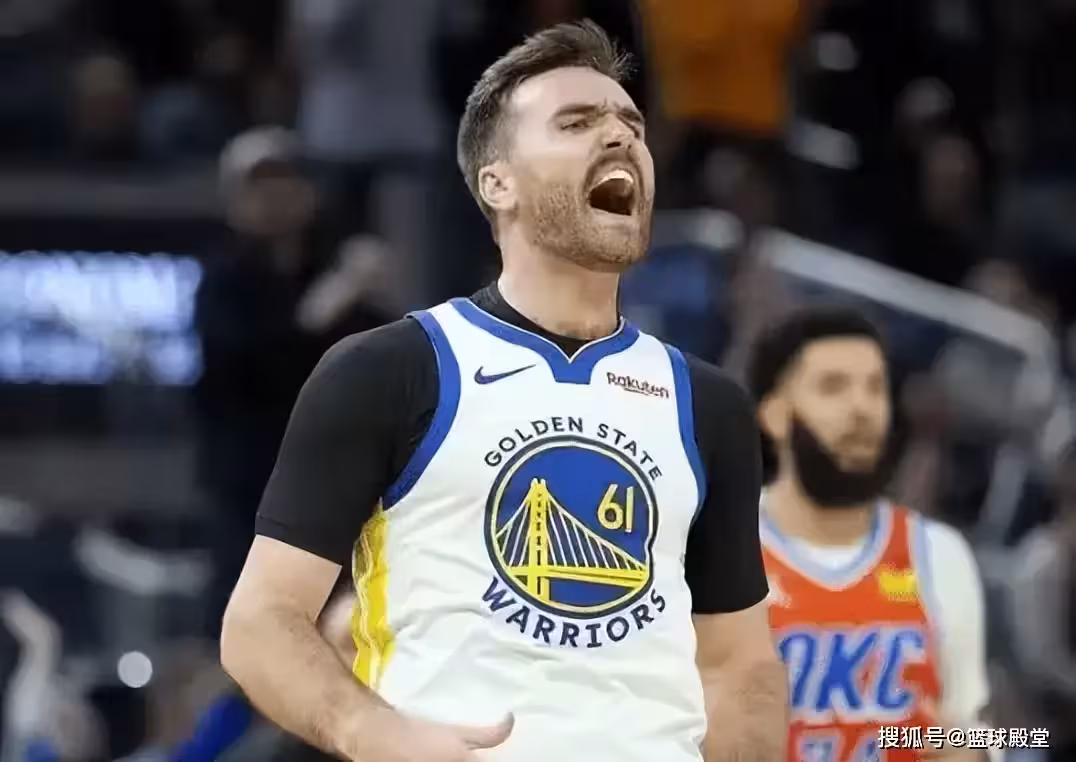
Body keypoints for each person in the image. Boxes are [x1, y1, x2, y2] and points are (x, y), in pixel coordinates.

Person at [220, 20, 787, 762]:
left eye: (633, 125)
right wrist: (373, 731)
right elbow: (260, 622)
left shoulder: (708, 404)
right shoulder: (390, 369)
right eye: (577, 122)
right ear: (498, 182)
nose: (620, 137)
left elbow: (740, 666)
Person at [745, 306, 998, 762]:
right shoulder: (718, 542)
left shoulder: (938, 552)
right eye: (833, 387)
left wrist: (974, 750)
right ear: (774, 413)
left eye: (875, 388)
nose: (861, 409)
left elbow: (979, 730)